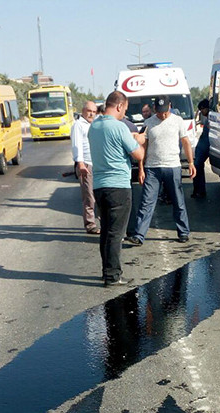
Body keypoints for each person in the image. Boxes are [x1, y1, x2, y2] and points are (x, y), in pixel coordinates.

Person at [88, 91, 145, 287]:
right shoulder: (119, 127)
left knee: (106, 231)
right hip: (118, 186)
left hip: (99, 186)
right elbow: (138, 154)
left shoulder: (94, 126)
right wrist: (139, 141)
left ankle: (107, 271)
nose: (124, 114)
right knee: (116, 234)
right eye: (125, 110)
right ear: (119, 106)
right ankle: (113, 276)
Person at [125, 95, 196, 246]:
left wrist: (190, 162)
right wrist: (141, 168)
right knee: (147, 202)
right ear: (154, 109)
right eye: (159, 111)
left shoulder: (178, 121)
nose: (162, 114)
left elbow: (185, 142)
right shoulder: (149, 123)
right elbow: (142, 146)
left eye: (164, 111)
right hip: (152, 169)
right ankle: (139, 235)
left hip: (173, 167)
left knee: (178, 200)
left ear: (169, 106)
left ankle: (183, 231)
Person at [71, 101, 99, 234]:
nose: (91, 114)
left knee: (99, 195)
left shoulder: (94, 124)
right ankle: (90, 225)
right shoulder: (78, 125)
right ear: (83, 111)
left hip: (97, 164)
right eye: (89, 111)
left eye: (94, 111)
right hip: (86, 164)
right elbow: (77, 146)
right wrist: (80, 163)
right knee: (89, 197)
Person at [191, 99, 210, 198]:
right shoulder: (208, 119)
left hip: (204, 148)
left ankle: (199, 190)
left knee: (197, 167)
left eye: (202, 109)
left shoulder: (210, 119)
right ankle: (199, 190)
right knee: (198, 167)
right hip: (203, 148)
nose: (202, 112)